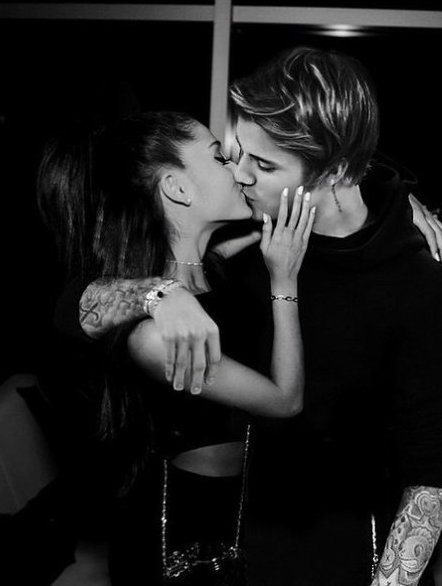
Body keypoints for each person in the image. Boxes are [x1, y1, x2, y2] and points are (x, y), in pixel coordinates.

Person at [54, 47, 442, 586]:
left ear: (338, 171)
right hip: (231, 546)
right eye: (235, 154)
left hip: (346, 550)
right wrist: (157, 293)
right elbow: (69, 306)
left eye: (264, 165)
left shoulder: (418, 282)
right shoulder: (244, 237)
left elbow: (434, 463)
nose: (242, 175)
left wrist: (392, 582)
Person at [35, 110, 315, 584]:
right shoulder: (158, 334)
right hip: (178, 545)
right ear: (177, 188)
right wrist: (283, 282)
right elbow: (285, 400)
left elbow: (303, 199)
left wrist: (400, 204)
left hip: (235, 522)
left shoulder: (209, 269)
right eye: (220, 158)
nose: (237, 169)